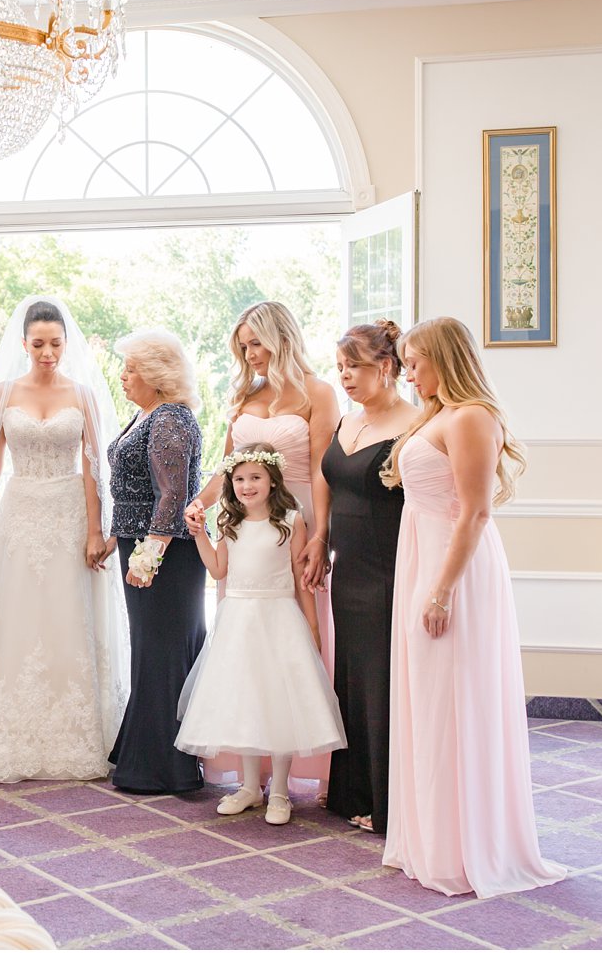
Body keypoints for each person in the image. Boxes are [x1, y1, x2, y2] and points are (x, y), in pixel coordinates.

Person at [381, 316, 564, 897]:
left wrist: (442, 590)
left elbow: (475, 512)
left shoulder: (472, 417)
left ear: (445, 359)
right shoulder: (434, 415)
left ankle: (467, 847)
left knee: (454, 697)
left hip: (452, 568)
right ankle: (431, 839)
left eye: (416, 362)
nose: (408, 374)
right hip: (422, 558)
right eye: (405, 363)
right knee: (427, 698)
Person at [0, 297, 129, 782]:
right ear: (23, 343)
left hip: (69, 512)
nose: (47, 353)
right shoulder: (3, 393)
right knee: (19, 618)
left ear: (66, 343)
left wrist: (96, 528)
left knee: (67, 617)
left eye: (55, 343)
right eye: (38, 344)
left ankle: (74, 736)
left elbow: (95, 469)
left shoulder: (84, 395)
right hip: (20, 512)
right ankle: (12, 738)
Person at [183, 300, 340, 799]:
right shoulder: (245, 396)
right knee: (247, 652)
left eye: (256, 343)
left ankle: (295, 775)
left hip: (296, 525)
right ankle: (252, 780)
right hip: (245, 530)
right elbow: (228, 467)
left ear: (281, 337)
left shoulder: (318, 392)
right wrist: (201, 503)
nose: (249, 354)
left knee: (294, 644)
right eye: (243, 346)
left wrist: (319, 534)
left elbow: (320, 468)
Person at [178, 445, 346, 825]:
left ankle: (281, 791)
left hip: (278, 617)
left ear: (272, 481)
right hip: (239, 619)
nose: (246, 485)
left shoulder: (290, 520)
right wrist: (200, 535)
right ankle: (250, 787)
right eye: (239, 479)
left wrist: (313, 629)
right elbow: (218, 571)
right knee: (246, 701)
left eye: (255, 477)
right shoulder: (228, 522)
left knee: (279, 702)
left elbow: (302, 581)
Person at [303, 321, 417, 835]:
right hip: (347, 568)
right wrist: (321, 539)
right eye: (341, 367)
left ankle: (389, 800)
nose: (345, 377)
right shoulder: (347, 422)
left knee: (382, 683)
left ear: (387, 367)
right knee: (351, 676)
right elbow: (326, 480)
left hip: (391, 565)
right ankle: (353, 791)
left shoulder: (415, 424)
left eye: (356, 367)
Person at [105, 329, 206, 794]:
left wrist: (150, 555)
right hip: (141, 543)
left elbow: (172, 494)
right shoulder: (147, 414)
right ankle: (146, 752)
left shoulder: (169, 417)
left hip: (165, 553)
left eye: (131, 369)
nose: (123, 377)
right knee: (150, 649)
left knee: (162, 651)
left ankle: (164, 765)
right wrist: (116, 538)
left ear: (156, 374)